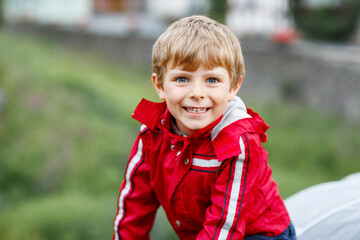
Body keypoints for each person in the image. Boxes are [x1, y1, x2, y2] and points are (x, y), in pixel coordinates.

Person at [113, 15, 296, 240]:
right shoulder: (152, 132)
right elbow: (134, 202)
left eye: (211, 80)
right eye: (182, 79)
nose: (197, 93)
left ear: (233, 86)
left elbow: (225, 224)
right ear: (159, 85)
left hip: (257, 233)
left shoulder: (238, 143)